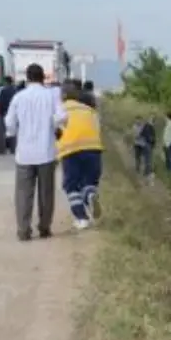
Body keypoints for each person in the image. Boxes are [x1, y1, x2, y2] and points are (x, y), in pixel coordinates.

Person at [5, 63, 69, 241]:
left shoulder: (19, 97)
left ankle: (23, 230)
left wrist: (15, 134)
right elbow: (63, 116)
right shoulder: (51, 96)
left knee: (24, 194)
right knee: (46, 193)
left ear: (27, 77)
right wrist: (55, 125)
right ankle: (44, 227)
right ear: (43, 78)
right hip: (46, 152)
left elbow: (9, 122)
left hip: (24, 153)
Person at [57, 81, 104, 230]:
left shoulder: (61, 110)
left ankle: (81, 218)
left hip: (71, 150)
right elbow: (98, 128)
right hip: (94, 148)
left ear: (63, 95)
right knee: (89, 182)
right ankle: (90, 195)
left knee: (71, 186)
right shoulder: (89, 110)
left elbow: (55, 130)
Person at [0, 75, 16, 155]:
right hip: (13, 114)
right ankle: (13, 149)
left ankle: (1, 150)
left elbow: (0, 103)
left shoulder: (3, 91)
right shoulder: (15, 90)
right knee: (13, 131)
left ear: (6, 82)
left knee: (1, 132)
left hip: (3, 113)